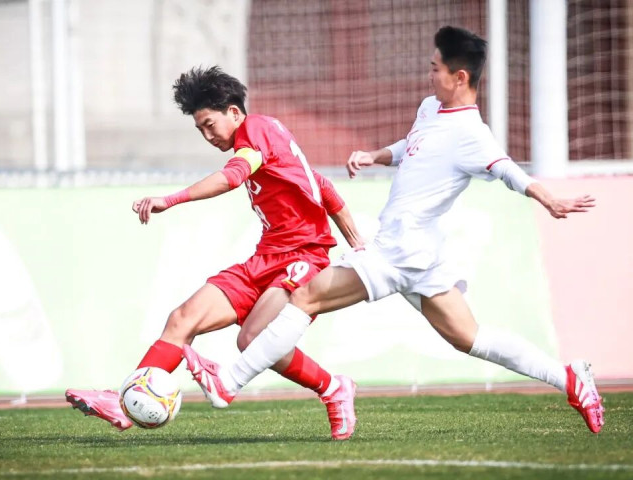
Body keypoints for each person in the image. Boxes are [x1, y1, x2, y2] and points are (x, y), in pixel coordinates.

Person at [182, 26, 605, 435]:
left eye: (436, 68)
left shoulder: (473, 135)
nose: (429, 74)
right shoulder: (430, 109)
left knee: (304, 296)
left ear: (460, 77)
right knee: (469, 338)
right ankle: (568, 377)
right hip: (422, 251)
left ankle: (229, 382)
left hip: (402, 248)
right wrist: (377, 155)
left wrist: (547, 198)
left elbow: (508, 170)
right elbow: (413, 147)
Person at [66, 66, 364, 440]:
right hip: (265, 256)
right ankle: (123, 405)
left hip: (303, 256)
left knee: (253, 340)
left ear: (234, 112)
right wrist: (357, 241)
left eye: (210, 124)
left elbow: (232, 177)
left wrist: (169, 200)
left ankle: (334, 388)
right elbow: (322, 186)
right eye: (200, 130)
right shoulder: (269, 137)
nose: (208, 136)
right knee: (182, 319)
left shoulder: (255, 129)